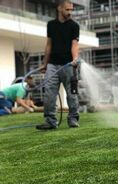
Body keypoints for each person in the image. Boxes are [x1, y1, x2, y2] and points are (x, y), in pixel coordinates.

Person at [36, 0, 80, 130]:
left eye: (71, 10)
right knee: (49, 93)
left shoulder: (74, 26)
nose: (70, 12)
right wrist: (45, 64)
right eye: (67, 10)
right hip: (52, 65)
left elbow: (74, 45)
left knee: (72, 94)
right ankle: (50, 121)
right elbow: (49, 44)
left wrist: (75, 60)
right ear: (59, 8)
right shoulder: (51, 25)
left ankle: (73, 119)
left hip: (68, 65)